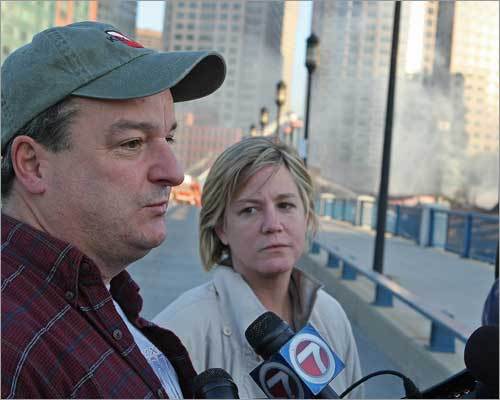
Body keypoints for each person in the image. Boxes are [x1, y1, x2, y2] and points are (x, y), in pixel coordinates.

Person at [1, 21, 225, 399]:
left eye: (168, 137)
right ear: (33, 165)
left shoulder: (95, 294)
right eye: (132, 143)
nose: (174, 172)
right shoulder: (12, 350)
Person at [154, 137, 363, 398]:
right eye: (250, 210)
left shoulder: (331, 315)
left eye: (285, 205)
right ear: (221, 228)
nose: (272, 224)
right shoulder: (178, 332)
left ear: (307, 217)